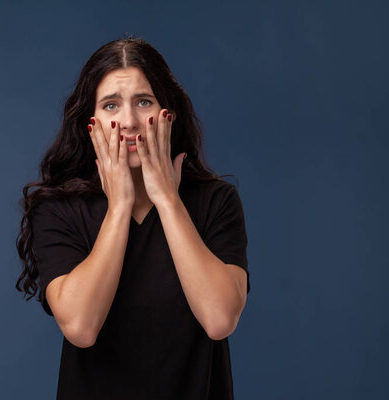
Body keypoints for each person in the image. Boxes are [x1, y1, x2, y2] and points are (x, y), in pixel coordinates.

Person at [16, 37, 250, 400]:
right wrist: (119, 206)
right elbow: (80, 326)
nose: (128, 121)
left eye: (144, 102)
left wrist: (168, 201)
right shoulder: (59, 209)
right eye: (111, 105)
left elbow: (220, 320)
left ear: (167, 112)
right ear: (90, 123)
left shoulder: (215, 201)